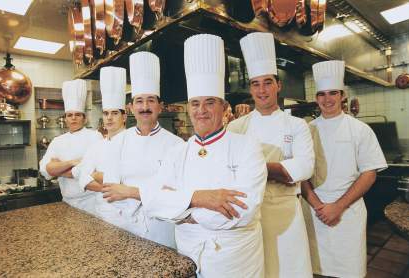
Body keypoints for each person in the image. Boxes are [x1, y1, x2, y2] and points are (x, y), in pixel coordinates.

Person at [104, 34, 267, 277]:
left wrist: (182, 211)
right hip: (187, 255)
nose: (201, 111)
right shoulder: (178, 151)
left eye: (210, 102)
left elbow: (244, 211)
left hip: (234, 259)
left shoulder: (248, 147)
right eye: (195, 103)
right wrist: (201, 198)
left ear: (224, 108)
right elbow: (156, 202)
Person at [227, 32, 314, 278]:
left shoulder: (297, 125)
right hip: (251, 215)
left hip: (287, 209)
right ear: (250, 88)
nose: (262, 90)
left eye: (267, 82)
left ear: (279, 85)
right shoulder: (236, 127)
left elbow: (305, 167)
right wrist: (279, 169)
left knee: (290, 270)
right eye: (256, 83)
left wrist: (255, 169)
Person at [301, 60, 387, 278]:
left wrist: (338, 207)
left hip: (347, 214)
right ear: (316, 98)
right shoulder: (306, 131)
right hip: (314, 213)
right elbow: (300, 174)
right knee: (314, 270)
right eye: (321, 94)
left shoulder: (360, 130)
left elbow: (369, 173)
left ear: (342, 95)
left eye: (333, 93)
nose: (327, 99)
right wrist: (319, 205)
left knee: (349, 271)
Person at [101, 52, 183, 248]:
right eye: (139, 101)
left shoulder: (177, 145)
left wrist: (129, 191)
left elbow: (174, 194)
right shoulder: (118, 142)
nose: (145, 106)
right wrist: (149, 197)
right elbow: (110, 190)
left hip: (163, 228)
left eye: (151, 100)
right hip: (125, 225)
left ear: (160, 106)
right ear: (130, 108)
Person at [39, 79, 102, 213]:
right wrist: (73, 163)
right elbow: (45, 169)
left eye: (78, 115)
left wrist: (60, 169)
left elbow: (95, 171)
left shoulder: (95, 136)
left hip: (92, 202)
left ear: (84, 119)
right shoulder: (57, 141)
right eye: (70, 115)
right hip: (67, 202)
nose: (73, 118)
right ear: (65, 119)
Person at [78, 66, 128, 227]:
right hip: (102, 213)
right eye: (106, 113)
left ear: (124, 116)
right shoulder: (96, 146)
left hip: (129, 216)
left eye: (115, 113)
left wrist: (97, 175)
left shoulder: (133, 141)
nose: (109, 118)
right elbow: (83, 178)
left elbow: (129, 181)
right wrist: (114, 187)